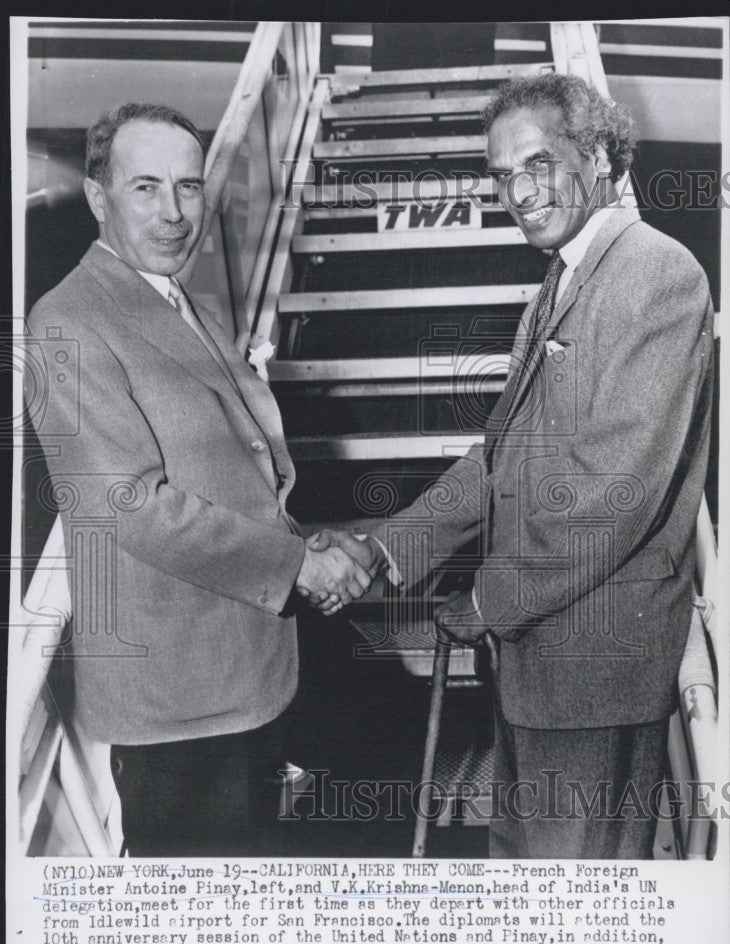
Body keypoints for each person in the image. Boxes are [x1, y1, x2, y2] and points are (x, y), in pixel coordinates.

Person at [312, 74, 714, 858]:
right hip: (543, 665)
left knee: (574, 924)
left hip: (594, 673)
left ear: (596, 155)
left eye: (538, 163)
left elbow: (612, 497)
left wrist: (488, 601)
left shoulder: (654, 274)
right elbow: (499, 459)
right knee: (530, 892)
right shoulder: (566, 276)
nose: (520, 192)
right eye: (503, 176)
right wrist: (389, 549)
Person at [25, 103, 383, 856]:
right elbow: (134, 507)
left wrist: (300, 539)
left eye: (188, 188)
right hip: (178, 702)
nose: (175, 212)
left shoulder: (179, 300)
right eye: (146, 188)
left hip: (243, 673)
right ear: (99, 198)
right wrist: (298, 564)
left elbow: (235, 465)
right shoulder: (68, 321)